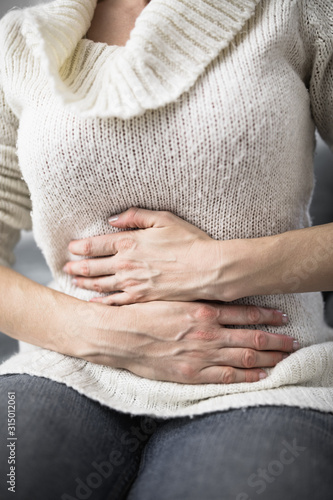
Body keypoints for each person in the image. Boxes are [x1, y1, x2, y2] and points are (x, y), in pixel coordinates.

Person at [0, 0, 332, 498]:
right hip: (67, 368)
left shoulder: (298, 12)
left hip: (266, 380)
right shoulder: (21, 39)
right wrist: (100, 332)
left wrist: (219, 268)